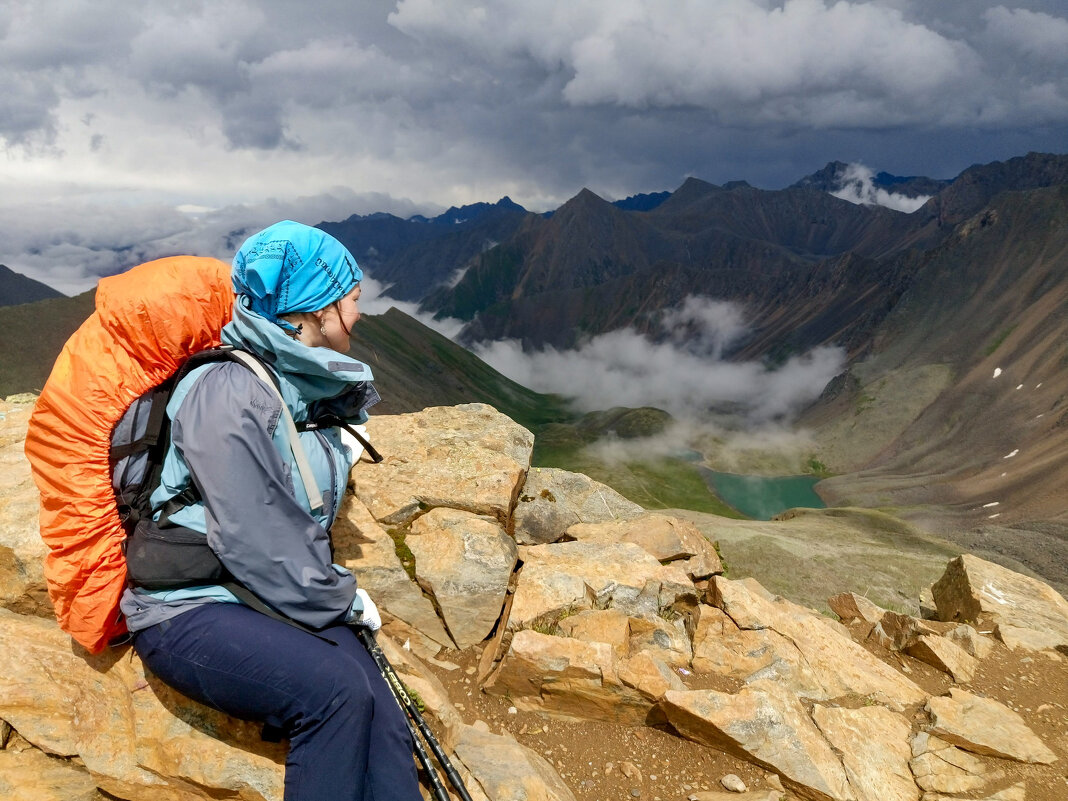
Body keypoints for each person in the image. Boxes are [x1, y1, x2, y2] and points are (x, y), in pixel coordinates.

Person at [120, 221, 422, 801]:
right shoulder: (229, 390)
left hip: (251, 592)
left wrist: (335, 447)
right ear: (315, 307)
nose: (360, 315)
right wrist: (339, 597)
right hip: (185, 610)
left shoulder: (288, 379)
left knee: (382, 712)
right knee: (336, 691)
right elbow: (256, 533)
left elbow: (285, 478)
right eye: (354, 300)